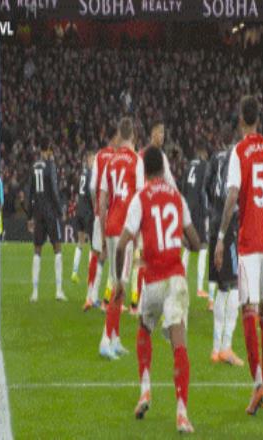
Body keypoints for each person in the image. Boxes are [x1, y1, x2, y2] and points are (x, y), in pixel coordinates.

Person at [114, 146, 200, 433]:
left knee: (144, 327)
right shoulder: (177, 197)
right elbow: (195, 242)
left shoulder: (140, 199)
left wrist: (119, 281)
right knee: (179, 342)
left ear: (145, 170)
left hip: (151, 281)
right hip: (175, 278)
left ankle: (145, 390)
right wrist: (181, 240)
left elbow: (122, 245)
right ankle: (182, 414)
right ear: (163, 169)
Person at [214, 96, 263, 415]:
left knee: (247, 311)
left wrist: (221, 236)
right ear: (258, 120)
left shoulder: (238, 151)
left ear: (240, 121)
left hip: (248, 243)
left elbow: (232, 195)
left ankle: (258, 383)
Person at [99, 117, 144, 360]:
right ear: (133, 136)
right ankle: (105, 339)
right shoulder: (136, 161)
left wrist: (103, 233)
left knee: (118, 283)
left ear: (120, 134)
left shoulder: (110, 160)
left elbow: (102, 201)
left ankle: (115, 339)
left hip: (110, 227)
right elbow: (140, 199)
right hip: (126, 230)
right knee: (120, 287)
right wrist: (138, 234)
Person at [204, 134, 244, 366]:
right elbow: (232, 194)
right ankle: (226, 347)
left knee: (221, 287)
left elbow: (207, 187)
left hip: (214, 222)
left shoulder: (215, 158)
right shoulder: (236, 157)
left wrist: (213, 212)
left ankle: (215, 348)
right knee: (235, 285)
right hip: (227, 227)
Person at [129, 121, 177, 315]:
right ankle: (141, 302)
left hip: (152, 213)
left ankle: (140, 301)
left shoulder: (147, 156)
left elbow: (169, 182)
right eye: (159, 132)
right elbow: (142, 187)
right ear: (152, 134)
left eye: (164, 132)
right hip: (150, 213)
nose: (162, 136)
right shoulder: (148, 157)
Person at [27, 138, 66, 302]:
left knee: (37, 250)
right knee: (57, 248)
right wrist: (60, 210)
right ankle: (58, 291)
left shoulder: (33, 166)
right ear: (48, 150)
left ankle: (35, 293)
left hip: (38, 213)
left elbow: (29, 193)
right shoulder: (50, 166)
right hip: (50, 212)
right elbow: (55, 191)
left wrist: (29, 216)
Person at [87, 128, 118, 312]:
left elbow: (92, 187)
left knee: (98, 253)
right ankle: (106, 298)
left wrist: (96, 206)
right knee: (110, 255)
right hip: (113, 212)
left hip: (100, 212)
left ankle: (92, 295)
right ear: (115, 138)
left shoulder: (99, 156)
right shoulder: (116, 158)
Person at [181, 143, 209, 300]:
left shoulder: (188, 166)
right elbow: (204, 191)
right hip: (198, 210)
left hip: (187, 209)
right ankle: (199, 288)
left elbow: (183, 189)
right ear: (203, 153)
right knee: (203, 248)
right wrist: (205, 213)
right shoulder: (204, 166)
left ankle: (181, 281)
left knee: (186, 247)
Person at [71, 150, 95, 295]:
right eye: (93, 159)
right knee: (93, 245)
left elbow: (78, 191)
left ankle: (74, 272)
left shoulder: (82, 174)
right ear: (89, 160)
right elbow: (92, 193)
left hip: (79, 210)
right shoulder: (91, 174)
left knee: (80, 242)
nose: (95, 162)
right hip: (87, 213)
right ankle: (90, 276)